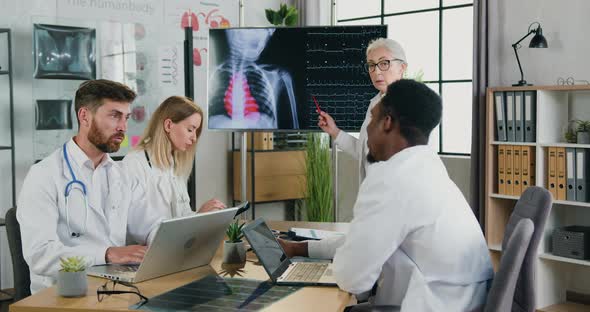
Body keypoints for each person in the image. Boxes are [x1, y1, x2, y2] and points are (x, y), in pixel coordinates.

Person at [281, 80, 493, 311]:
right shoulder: (427, 168)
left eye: (371, 119)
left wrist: (336, 263)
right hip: (463, 301)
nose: (367, 129)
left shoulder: (390, 178)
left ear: (387, 123)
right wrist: (301, 248)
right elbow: (364, 241)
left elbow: (352, 278)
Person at [17, 80, 163, 293]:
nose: (123, 127)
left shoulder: (122, 174)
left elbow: (149, 225)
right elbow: (40, 254)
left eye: (126, 118)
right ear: (84, 116)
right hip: (63, 296)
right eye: (115, 116)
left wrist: (167, 241)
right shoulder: (44, 175)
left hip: (116, 290)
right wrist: (107, 254)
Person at [318, 38, 407, 182]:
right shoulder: (375, 103)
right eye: (371, 65)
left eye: (384, 63)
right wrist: (334, 131)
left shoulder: (410, 105)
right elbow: (364, 152)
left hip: (394, 196)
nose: (376, 71)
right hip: (373, 194)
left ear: (402, 68)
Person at [123, 96, 226, 219]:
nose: (194, 138)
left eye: (196, 132)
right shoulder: (134, 164)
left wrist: (202, 215)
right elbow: (137, 226)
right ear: (168, 125)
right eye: (190, 130)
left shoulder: (175, 165)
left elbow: (182, 217)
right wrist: (198, 217)